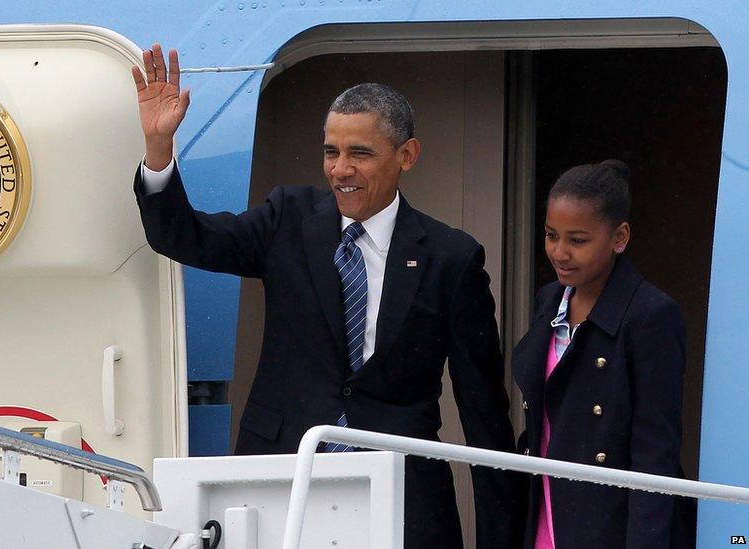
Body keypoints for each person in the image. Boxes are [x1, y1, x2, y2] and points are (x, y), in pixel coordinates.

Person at [131, 44, 523, 548]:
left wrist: (503, 535)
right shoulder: (287, 218)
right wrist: (158, 147)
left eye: (360, 153)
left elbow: (483, 407)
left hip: (401, 485)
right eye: (331, 152)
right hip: (280, 474)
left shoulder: (452, 257)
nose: (340, 169)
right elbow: (183, 237)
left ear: (407, 156)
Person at [511, 160, 694, 548]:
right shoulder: (549, 300)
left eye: (577, 240)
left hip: (606, 518)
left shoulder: (651, 315)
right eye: (550, 235)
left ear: (620, 236)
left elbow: (655, 452)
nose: (560, 253)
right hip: (544, 503)